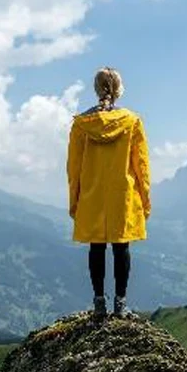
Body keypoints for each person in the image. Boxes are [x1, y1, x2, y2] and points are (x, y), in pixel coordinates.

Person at [66, 67, 151, 317]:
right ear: (119, 90)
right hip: (122, 195)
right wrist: (145, 200)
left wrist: (75, 201)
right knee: (121, 247)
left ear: (96, 89)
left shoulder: (82, 125)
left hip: (92, 194)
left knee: (97, 247)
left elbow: (73, 168)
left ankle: (99, 303)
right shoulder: (132, 122)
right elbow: (142, 167)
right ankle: (121, 304)